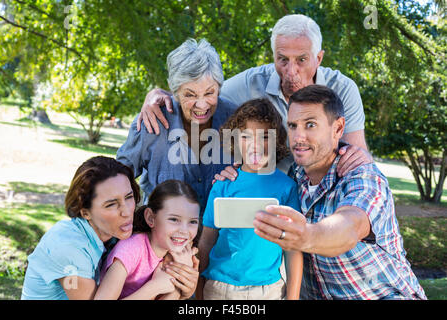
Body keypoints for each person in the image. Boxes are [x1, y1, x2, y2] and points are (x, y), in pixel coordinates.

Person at [136, 14, 370, 176]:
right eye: (282, 59)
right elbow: (204, 94)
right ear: (273, 56)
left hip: (317, 188)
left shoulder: (343, 89)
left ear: (318, 58)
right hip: (266, 193)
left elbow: (356, 156)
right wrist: (158, 95)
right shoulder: (249, 84)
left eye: (301, 60)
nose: (291, 72)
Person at [252, 85, 427, 300]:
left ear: (338, 128)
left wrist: (306, 235)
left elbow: (350, 226)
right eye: (293, 126)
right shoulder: (293, 177)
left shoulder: (362, 176)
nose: (298, 137)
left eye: (310, 125)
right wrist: (233, 173)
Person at [21, 156, 198, 300]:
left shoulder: (116, 233)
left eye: (129, 197)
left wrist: (182, 285)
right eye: (111, 204)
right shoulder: (69, 249)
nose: (127, 212)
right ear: (85, 212)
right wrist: (156, 287)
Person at [116, 38, 238, 216]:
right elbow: (117, 178)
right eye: (190, 94)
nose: (202, 105)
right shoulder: (152, 121)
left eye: (210, 93)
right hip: (161, 238)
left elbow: (258, 172)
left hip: (220, 239)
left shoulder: (236, 119)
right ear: (175, 91)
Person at [197, 99, 303, 300]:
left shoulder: (287, 187)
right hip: (220, 288)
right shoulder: (223, 185)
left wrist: (293, 297)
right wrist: (199, 293)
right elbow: (206, 242)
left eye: (264, 136)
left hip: (269, 290)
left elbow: (292, 248)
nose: (255, 145)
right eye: (246, 136)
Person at [95, 180, 200, 300]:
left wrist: (179, 288)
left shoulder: (181, 254)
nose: (184, 231)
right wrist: (155, 287)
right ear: (151, 218)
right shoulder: (131, 249)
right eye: (174, 219)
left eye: (192, 221)